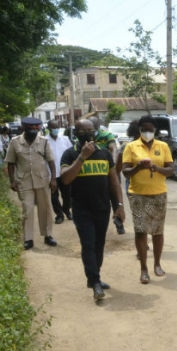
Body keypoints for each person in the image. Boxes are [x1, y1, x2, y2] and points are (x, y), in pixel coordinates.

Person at [60, 119, 126, 301]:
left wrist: (119, 206)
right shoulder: (69, 154)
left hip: (102, 208)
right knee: (88, 244)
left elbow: (114, 182)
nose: (88, 134)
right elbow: (65, 180)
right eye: (84, 131)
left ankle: (94, 276)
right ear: (76, 132)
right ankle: (95, 282)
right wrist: (81, 157)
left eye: (91, 130)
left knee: (99, 245)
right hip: (82, 209)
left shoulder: (104, 154)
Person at [121, 115, 174, 284]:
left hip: (158, 193)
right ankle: (143, 268)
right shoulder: (131, 147)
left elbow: (171, 170)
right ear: (139, 130)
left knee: (158, 232)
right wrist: (138, 167)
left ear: (155, 130)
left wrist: (156, 168)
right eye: (144, 129)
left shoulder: (163, 146)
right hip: (138, 194)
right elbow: (125, 172)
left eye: (151, 129)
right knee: (141, 231)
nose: (147, 132)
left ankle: (157, 263)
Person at [5, 117, 58, 250]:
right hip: (24, 181)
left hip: (42, 180)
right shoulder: (15, 142)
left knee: (45, 208)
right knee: (27, 210)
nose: (34, 131)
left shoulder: (44, 142)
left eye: (36, 129)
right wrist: (12, 181)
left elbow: (51, 161)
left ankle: (48, 235)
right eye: (31, 129)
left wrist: (53, 179)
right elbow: (10, 163)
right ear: (24, 128)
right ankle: (28, 239)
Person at [46, 120, 73, 224]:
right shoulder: (45, 141)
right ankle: (59, 214)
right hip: (51, 174)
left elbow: (71, 153)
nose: (56, 130)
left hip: (64, 172)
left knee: (68, 195)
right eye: (54, 128)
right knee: (54, 196)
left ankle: (67, 210)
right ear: (49, 129)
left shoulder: (65, 139)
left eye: (57, 127)